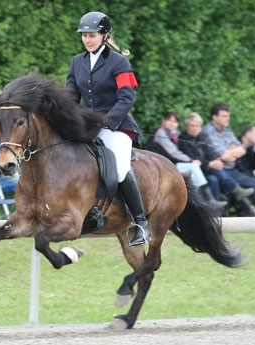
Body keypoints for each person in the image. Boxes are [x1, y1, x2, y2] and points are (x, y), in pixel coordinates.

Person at [66, 11, 148, 246]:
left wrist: (106, 122)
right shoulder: (76, 62)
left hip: (117, 127)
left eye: (92, 35)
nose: (87, 40)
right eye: (84, 36)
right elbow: (70, 99)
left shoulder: (119, 62)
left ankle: (141, 223)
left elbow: (126, 99)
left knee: (120, 169)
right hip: (88, 128)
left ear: (104, 35)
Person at [199, 103, 255, 216]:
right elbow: (222, 155)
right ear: (214, 117)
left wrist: (230, 152)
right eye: (224, 116)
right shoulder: (208, 132)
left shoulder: (227, 131)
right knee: (236, 186)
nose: (228, 118)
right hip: (217, 170)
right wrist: (232, 152)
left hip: (231, 170)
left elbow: (242, 150)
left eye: (228, 116)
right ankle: (253, 213)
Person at [147, 111, 226, 209]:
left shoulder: (175, 134)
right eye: (169, 120)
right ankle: (207, 199)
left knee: (194, 174)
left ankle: (201, 203)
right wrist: (190, 161)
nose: (172, 123)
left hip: (168, 164)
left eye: (175, 122)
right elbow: (173, 152)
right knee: (193, 167)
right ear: (164, 121)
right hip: (157, 166)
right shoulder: (160, 132)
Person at [177, 112, 255, 210]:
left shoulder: (200, 137)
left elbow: (209, 151)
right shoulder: (182, 139)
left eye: (197, 126)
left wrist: (216, 159)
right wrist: (210, 163)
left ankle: (216, 210)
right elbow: (192, 157)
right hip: (194, 169)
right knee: (216, 172)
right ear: (186, 126)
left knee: (214, 179)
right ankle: (236, 190)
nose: (195, 128)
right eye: (192, 125)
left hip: (204, 168)